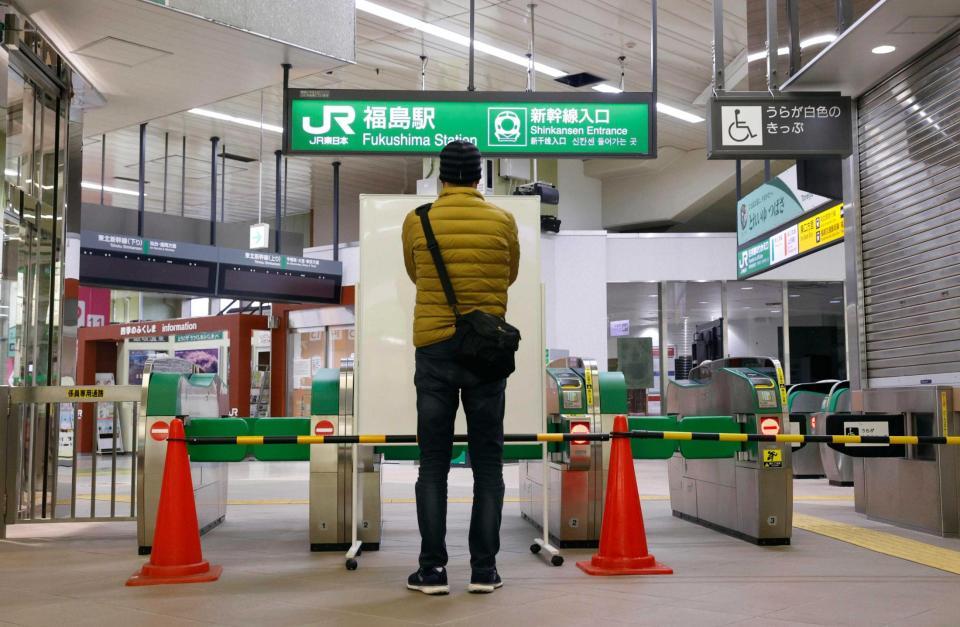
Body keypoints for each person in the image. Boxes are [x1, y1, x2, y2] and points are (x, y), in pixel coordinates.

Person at [401, 140, 520, 595]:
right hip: (486, 350)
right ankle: (484, 570)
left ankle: (431, 570)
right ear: (479, 177)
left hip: (434, 348)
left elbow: (416, 272)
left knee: (433, 463)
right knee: (488, 463)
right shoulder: (502, 219)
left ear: (441, 177)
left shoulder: (419, 219)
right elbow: (508, 274)